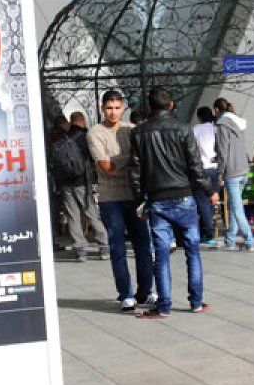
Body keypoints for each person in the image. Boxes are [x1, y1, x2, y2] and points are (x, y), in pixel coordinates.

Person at [129, 88, 217, 318]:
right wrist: (210, 190)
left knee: (161, 253)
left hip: (157, 199)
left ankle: (164, 305)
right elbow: (195, 167)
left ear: (149, 107)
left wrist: (140, 201)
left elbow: (135, 172)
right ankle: (196, 302)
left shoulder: (139, 133)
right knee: (193, 251)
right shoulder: (183, 130)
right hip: (184, 197)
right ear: (171, 105)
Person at [87, 90, 155, 311]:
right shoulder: (95, 133)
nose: (113, 112)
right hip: (111, 198)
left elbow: (143, 160)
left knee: (143, 246)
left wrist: (121, 162)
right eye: (109, 108)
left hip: (135, 196)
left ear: (123, 108)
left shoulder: (132, 130)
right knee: (117, 248)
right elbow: (106, 168)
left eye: (117, 108)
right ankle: (125, 294)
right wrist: (131, 160)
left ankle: (145, 291)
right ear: (102, 108)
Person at [51, 111, 109, 262]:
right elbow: (93, 157)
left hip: (65, 183)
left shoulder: (62, 139)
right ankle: (104, 246)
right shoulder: (85, 137)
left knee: (73, 216)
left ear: (71, 122)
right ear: (82, 121)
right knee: (91, 213)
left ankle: (80, 250)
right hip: (82, 182)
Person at [213, 97, 254, 252]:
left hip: (232, 171)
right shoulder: (238, 123)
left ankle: (249, 240)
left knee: (237, 208)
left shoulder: (222, 125)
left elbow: (223, 151)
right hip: (243, 168)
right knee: (234, 205)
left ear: (217, 110)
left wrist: (220, 173)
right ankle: (230, 240)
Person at [192, 106, 219, 245]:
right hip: (215, 168)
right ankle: (208, 230)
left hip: (201, 169)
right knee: (212, 200)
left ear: (199, 117)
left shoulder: (196, 130)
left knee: (201, 201)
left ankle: (208, 232)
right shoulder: (216, 128)